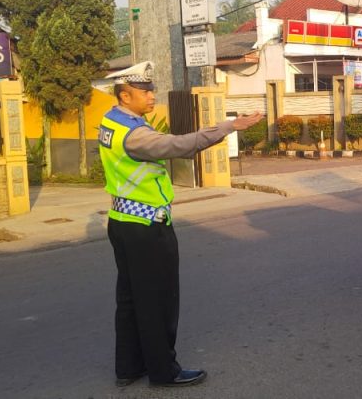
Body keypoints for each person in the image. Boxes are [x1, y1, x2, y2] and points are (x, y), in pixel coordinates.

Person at [99, 61, 263, 387]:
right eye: (144, 92)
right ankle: (163, 371)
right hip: (147, 225)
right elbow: (181, 146)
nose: (151, 97)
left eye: (151, 91)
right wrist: (228, 126)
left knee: (130, 299)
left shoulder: (111, 122)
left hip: (121, 221)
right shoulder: (135, 136)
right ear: (124, 95)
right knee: (158, 301)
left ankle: (129, 366)